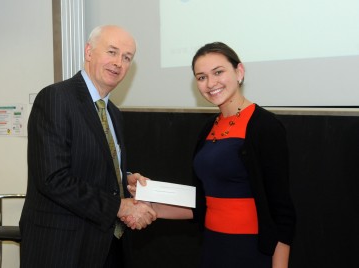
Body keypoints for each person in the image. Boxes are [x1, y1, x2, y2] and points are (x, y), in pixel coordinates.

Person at [126, 42, 296, 268]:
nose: (210, 83)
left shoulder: (264, 126)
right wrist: (149, 202)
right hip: (214, 248)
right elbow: (201, 203)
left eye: (218, 72)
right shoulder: (208, 128)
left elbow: (282, 211)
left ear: (239, 72)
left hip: (252, 252)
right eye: (201, 77)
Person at [19, 25, 157, 268]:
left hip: (107, 244)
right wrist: (119, 206)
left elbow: (89, 165)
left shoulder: (113, 113)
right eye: (112, 52)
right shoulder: (55, 98)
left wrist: (124, 180)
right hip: (62, 247)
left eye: (127, 58)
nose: (118, 63)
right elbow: (53, 178)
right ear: (89, 51)